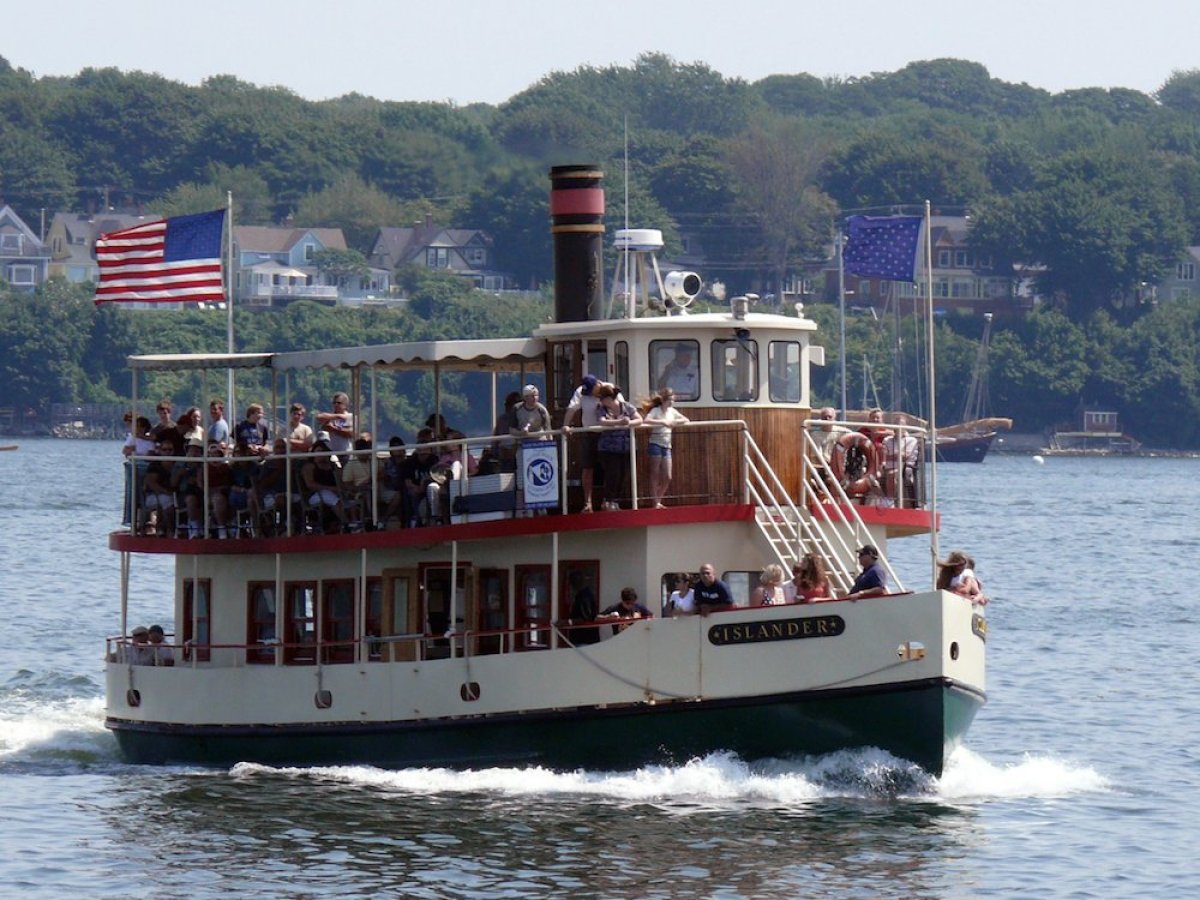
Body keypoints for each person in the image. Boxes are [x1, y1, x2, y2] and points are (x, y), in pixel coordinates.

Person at [563, 374, 608, 513]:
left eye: (591, 391)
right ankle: (587, 503)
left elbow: (621, 406)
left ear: (597, 385)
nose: (589, 394)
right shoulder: (581, 392)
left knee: (609, 467)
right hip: (589, 433)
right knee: (587, 467)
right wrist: (566, 425)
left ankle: (607, 501)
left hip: (607, 434)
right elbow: (572, 409)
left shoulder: (608, 389)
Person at [595, 382, 642, 510]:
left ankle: (615, 501)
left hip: (626, 447)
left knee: (622, 474)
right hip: (608, 448)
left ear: (609, 398)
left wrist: (630, 422)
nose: (601, 401)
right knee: (612, 474)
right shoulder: (601, 409)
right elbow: (602, 422)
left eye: (602, 398)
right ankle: (608, 500)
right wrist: (619, 422)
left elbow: (639, 419)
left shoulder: (627, 407)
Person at [642, 388, 689, 508]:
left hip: (667, 445)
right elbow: (646, 420)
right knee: (655, 473)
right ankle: (655, 502)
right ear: (664, 400)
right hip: (655, 444)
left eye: (673, 400)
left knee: (668, 476)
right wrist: (663, 422)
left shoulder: (672, 411)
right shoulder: (656, 410)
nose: (672, 403)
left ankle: (658, 498)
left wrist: (674, 422)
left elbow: (685, 419)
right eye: (670, 400)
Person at [301, 438, 348, 532]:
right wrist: (331, 488)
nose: (322, 454)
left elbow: (341, 483)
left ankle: (354, 522)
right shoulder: (310, 466)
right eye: (319, 451)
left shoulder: (333, 466)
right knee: (328, 495)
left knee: (346, 498)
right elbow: (310, 484)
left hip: (334, 493)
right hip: (314, 495)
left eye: (324, 451)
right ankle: (347, 524)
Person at [882, 414, 921, 508]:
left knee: (892, 474)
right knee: (872, 478)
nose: (899, 427)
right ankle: (875, 501)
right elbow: (883, 456)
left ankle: (890, 502)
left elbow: (904, 456)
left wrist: (891, 456)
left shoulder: (911, 440)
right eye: (896, 424)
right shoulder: (887, 440)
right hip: (887, 467)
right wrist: (894, 455)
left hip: (905, 469)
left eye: (901, 424)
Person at [566, 570, 600, 645]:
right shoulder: (584, 595)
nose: (571, 585)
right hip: (587, 639)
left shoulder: (584, 597)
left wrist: (567, 622)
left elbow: (587, 617)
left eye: (572, 582)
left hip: (584, 639)